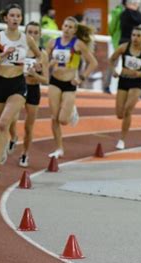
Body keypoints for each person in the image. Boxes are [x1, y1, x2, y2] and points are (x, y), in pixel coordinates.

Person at [0, 4, 42, 179]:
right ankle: (3, 146)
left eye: (18, 16)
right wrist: (3, 55)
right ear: (6, 18)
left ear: (21, 19)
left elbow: (39, 55)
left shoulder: (26, 39)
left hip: (17, 85)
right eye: (12, 16)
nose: (15, 18)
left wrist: (38, 64)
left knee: (3, 124)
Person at [46, 16, 98, 158]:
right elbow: (44, 60)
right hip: (55, 82)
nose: (67, 29)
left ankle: (71, 111)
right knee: (54, 117)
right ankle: (59, 148)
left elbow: (93, 63)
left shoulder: (78, 44)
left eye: (70, 27)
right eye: (65, 26)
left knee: (63, 119)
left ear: (74, 30)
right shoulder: (53, 43)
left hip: (69, 83)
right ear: (61, 27)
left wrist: (81, 77)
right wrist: (48, 64)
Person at [7, 22, 49, 168]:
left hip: (33, 90)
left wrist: (34, 75)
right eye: (29, 32)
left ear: (40, 35)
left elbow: (46, 80)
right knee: (11, 119)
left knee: (28, 126)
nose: (32, 35)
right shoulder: (20, 49)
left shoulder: (42, 54)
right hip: (18, 87)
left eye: (35, 32)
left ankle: (25, 154)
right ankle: (13, 137)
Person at [109, 25, 141, 150]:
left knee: (128, 110)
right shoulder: (124, 48)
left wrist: (140, 73)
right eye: (133, 35)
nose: (135, 38)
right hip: (123, 81)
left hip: (136, 83)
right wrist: (113, 70)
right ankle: (129, 103)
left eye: (138, 36)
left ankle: (122, 140)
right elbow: (112, 59)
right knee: (119, 114)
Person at [104, 0, 126, 94]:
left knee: (124, 64)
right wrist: (114, 36)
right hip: (118, 40)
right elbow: (112, 26)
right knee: (113, 62)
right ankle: (106, 86)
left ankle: (121, 86)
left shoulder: (132, 11)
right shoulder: (117, 11)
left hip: (126, 41)